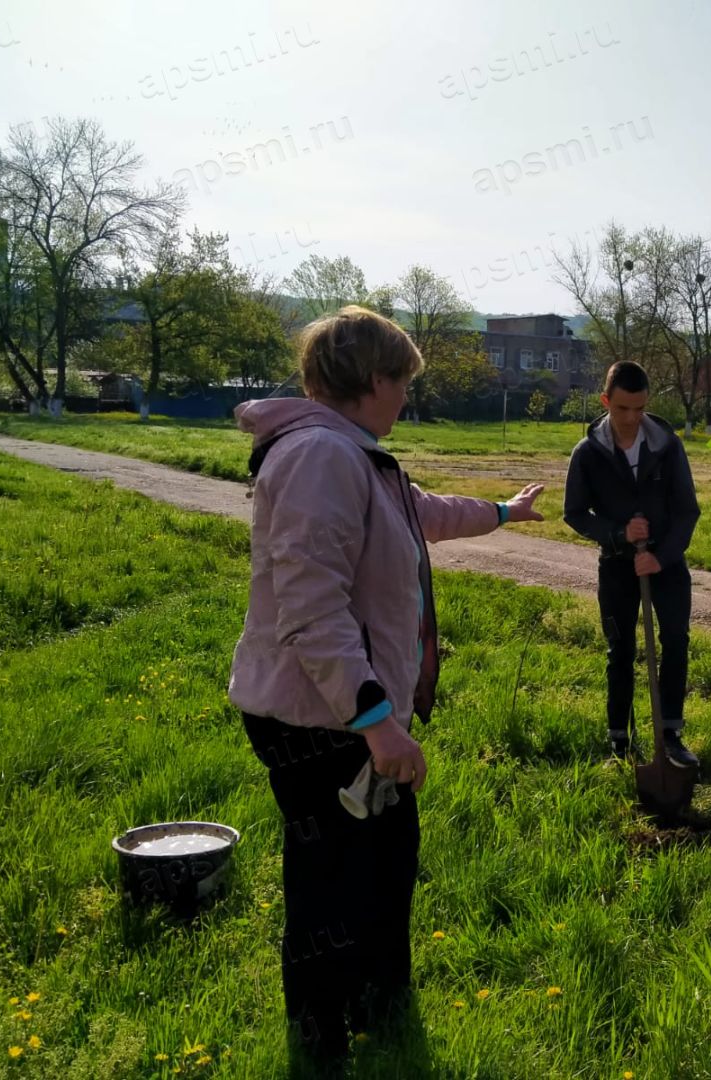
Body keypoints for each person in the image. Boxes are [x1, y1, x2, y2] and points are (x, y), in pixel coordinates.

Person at [228, 305, 544, 1070]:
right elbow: (310, 606)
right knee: (330, 880)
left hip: (345, 711)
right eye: (402, 382)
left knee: (384, 856)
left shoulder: (354, 454)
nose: (407, 397)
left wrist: (503, 513)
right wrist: (375, 721)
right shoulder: (320, 458)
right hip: (320, 718)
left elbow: (419, 512)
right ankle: (322, 1034)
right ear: (372, 380)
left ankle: (379, 1004)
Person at [563, 360, 701, 767]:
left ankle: (670, 735)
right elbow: (574, 514)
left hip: (666, 563)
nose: (631, 418)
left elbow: (687, 511)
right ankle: (619, 742)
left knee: (676, 642)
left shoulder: (667, 446)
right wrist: (619, 533)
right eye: (622, 409)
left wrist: (660, 557)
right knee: (619, 649)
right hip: (618, 566)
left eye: (639, 409)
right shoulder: (588, 453)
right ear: (606, 401)